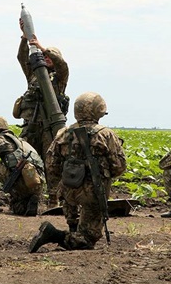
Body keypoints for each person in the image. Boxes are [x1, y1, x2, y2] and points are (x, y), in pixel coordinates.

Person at [28, 92, 126, 252]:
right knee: (88, 239)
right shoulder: (105, 134)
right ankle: (53, 235)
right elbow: (119, 166)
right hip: (93, 192)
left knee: (77, 227)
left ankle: (72, 232)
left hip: (67, 190)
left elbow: (51, 164)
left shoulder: (64, 133)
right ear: (98, 110)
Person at [13, 19, 70, 208]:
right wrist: (25, 38)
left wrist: (42, 47)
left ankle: (54, 201)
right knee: (24, 160)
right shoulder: (34, 74)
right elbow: (22, 58)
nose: (46, 59)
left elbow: (62, 65)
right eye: (44, 57)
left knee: (51, 163)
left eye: (50, 58)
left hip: (49, 129)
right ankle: (28, 198)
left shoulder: (59, 78)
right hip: (31, 126)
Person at [0, 115, 45, 216]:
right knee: (18, 209)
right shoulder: (20, 140)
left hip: (22, 182)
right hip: (37, 184)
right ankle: (31, 200)